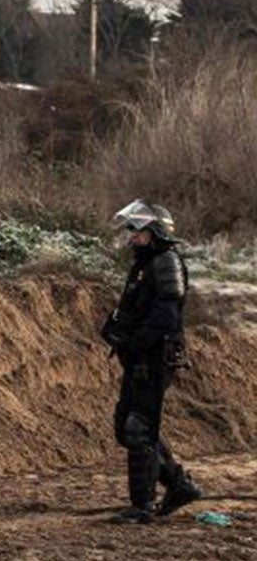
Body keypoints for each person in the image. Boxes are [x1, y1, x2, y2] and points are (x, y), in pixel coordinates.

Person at [100, 201, 204, 523]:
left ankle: (143, 505)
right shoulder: (146, 263)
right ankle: (179, 484)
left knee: (138, 429)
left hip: (154, 358)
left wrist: (136, 342)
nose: (132, 238)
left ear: (155, 232)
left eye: (138, 232)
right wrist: (115, 329)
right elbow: (136, 307)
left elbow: (166, 316)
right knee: (125, 428)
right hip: (140, 357)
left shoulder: (166, 261)